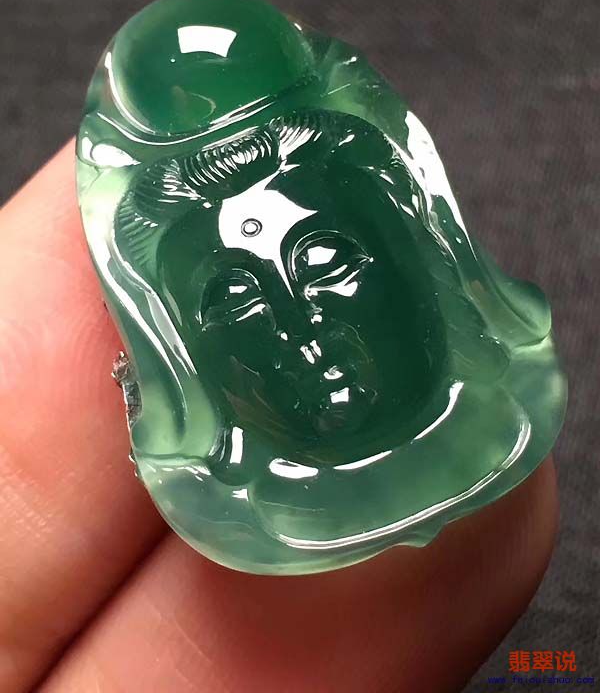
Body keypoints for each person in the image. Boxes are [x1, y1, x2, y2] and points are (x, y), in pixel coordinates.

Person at [0, 140, 557, 692]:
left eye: (325, 263)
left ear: (423, 250)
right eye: (235, 301)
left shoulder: (496, 422)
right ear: (175, 351)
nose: (298, 325)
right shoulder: (249, 512)